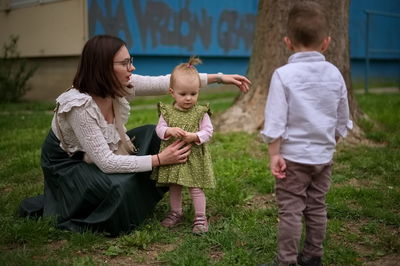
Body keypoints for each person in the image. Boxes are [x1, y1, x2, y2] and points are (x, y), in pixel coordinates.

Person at [19, 35, 251, 236]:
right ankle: (101, 204)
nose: (132, 68)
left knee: (154, 135)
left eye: (131, 61)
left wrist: (221, 77)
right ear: (103, 67)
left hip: (101, 153)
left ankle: (140, 197)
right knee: (119, 186)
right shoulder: (79, 106)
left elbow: (166, 82)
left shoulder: (120, 84)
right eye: (125, 63)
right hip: (69, 165)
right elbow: (107, 163)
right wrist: (161, 160)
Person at [259, 2, 352, 266]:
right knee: (317, 207)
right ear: (326, 43)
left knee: (291, 210)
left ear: (287, 42)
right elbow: (342, 118)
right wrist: (330, 142)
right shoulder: (335, 74)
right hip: (323, 157)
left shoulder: (283, 75)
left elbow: (275, 120)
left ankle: (286, 261)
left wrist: (274, 154)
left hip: (292, 158)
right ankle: (313, 257)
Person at [151, 56, 214, 234]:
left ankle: (200, 217)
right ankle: (175, 212)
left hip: (193, 156)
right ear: (172, 92)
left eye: (193, 94)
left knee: (195, 186)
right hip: (174, 155)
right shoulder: (167, 111)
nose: (188, 99)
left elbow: (208, 132)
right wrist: (169, 131)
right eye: (183, 94)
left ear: (198, 91)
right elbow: (159, 129)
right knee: (175, 185)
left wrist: (194, 136)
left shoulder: (201, 112)